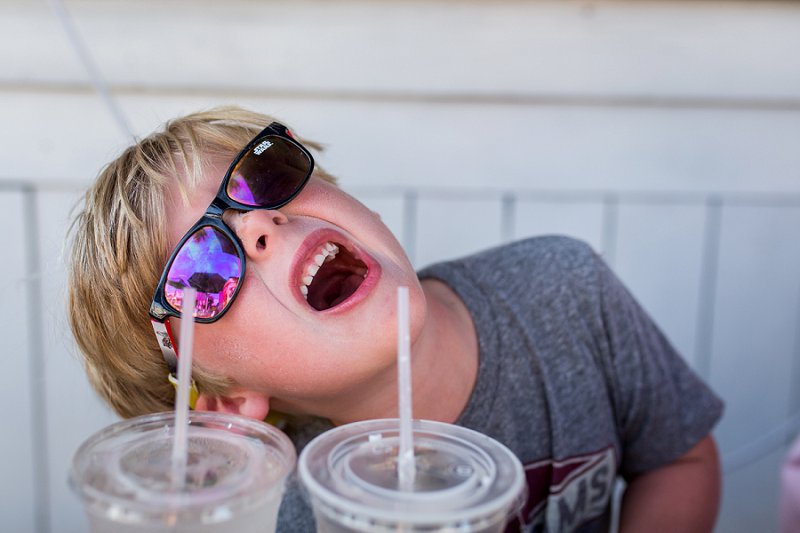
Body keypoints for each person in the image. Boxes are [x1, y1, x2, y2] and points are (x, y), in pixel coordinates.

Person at [68, 105, 724, 532]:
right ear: (229, 401)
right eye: (203, 265)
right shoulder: (303, 514)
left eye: (263, 177)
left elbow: (679, 461)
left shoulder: (565, 289)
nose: (264, 222)